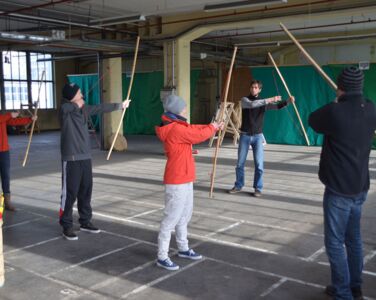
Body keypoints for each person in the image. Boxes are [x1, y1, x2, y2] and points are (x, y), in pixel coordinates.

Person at [309, 67, 376, 300]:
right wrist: (341, 99)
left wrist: (336, 102)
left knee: (335, 242)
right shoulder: (370, 108)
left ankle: (343, 292)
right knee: (353, 239)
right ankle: (354, 287)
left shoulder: (335, 111)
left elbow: (313, 120)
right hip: (360, 186)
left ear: (341, 87)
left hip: (339, 188)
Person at [155, 94, 223, 271]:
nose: (185, 109)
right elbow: (195, 134)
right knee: (171, 219)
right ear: (176, 110)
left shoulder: (176, 125)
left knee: (184, 216)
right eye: (183, 107)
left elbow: (192, 129)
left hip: (184, 177)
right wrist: (213, 127)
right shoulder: (176, 128)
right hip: (177, 179)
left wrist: (212, 127)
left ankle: (183, 248)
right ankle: (162, 256)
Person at [59, 83, 130, 241]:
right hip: (71, 159)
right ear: (72, 96)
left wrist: (120, 105)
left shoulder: (84, 108)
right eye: (78, 92)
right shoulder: (65, 110)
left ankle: (85, 221)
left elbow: (101, 107)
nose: (81, 93)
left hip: (85, 157)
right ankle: (66, 225)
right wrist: (75, 104)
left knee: (86, 190)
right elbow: (66, 108)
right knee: (69, 193)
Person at [228, 80, 294, 197]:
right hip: (245, 135)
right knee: (240, 164)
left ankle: (258, 188)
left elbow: (278, 106)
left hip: (258, 137)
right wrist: (271, 99)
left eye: (256, 88)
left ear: (259, 90)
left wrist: (288, 101)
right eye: (252, 87)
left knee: (259, 165)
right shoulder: (244, 100)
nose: (253, 89)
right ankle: (238, 185)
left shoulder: (263, 103)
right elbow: (254, 104)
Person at [0, 111, 36, 211]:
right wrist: (9, 115)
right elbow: (4, 118)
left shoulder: (3, 116)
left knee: (5, 176)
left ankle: (7, 202)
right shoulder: (3, 116)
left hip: (4, 151)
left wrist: (30, 119)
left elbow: (14, 122)